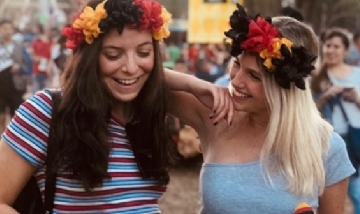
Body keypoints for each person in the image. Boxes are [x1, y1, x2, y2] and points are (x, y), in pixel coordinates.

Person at [0, 0, 203, 213]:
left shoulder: (151, 111)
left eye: (143, 53)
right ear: (90, 58)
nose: (131, 68)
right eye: (113, 55)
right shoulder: (47, 112)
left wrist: (193, 84)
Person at [164, 4, 355, 213]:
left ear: (284, 88)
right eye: (237, 64)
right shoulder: (217, 114)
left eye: (254, 76)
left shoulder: (327, 147)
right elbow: (143, 76)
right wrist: (196, 85)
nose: (236, 81)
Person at [312, 28, 360, 214]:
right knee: (323, 196)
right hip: (326, 142)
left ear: (345, 50)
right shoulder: (316, 77)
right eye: (328, 46)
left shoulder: (357, 74)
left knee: (356, 192)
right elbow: (306, 111)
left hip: (353, 139)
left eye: (336, 46)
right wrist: (325, 97)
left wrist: (356, 98)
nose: (331, 50)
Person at [0, 19, 30, 134]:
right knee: (1, 117)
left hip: (15, 86)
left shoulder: (19, 47)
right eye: (5, 29)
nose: (8, 31)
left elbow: (28, 66)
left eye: (10, 29)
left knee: (15, 117)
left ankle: (13, 141)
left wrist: (20, 68)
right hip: (1, 86)